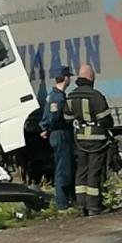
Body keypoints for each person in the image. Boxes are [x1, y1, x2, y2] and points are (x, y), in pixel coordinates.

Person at [64, 64, 113, 215]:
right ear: (91, 78)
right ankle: (94, 206)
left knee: (81, 171)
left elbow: (67, 118)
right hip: (96, 139)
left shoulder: (71, 96)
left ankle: (81, 206)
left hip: (79, 139)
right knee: (94, 171)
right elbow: (106, 120)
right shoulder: (95, 96)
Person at [39, 66, 75, 210]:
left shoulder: (54, 95)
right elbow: (54, 117)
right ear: (66, 78)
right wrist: (48, 127)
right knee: (63, 169)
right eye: (69, 77)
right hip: (60, 134)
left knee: (65, 168)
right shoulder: (58, 97)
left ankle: (67, 200)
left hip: (57, 134)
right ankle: (62, 203)